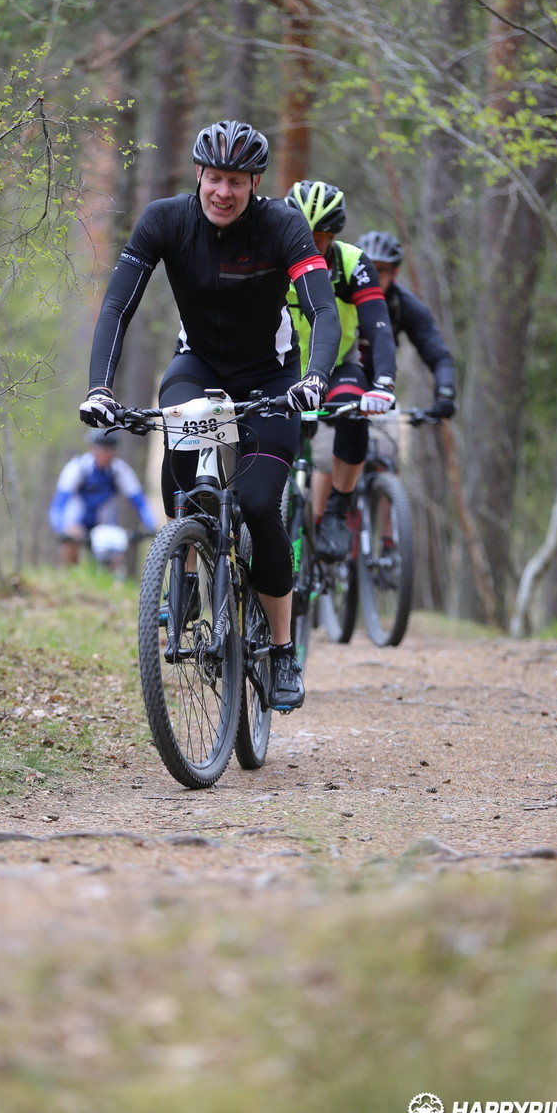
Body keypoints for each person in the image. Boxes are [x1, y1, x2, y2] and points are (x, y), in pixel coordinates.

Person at [79, 119, 342, 710]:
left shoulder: (282, 225)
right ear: (199, 174)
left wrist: (315, 378)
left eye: (237, 182)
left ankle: (281, 650)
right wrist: (100, 388)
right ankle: (188, 562)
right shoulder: (165, 220)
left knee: (258, 504)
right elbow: (117, 307)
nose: (224, 192)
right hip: (198, 367)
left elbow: (323, 311)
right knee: (183, 472)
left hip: (271, 377)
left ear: (255, 184)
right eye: (215, 178)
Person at [284, 181, 397, 562]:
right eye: (302, 235)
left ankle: (338, 507)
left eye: (318, 239)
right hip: (279, 366)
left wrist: (383, 382)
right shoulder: (272, 255)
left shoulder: (352, 263)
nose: (308, 246)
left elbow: (379, 326)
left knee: (354, 409)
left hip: (336, 366)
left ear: (332, 237)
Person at [356, 230, 457, 437]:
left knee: (386, 450)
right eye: (367, 267)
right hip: (336, 386)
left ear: (394, 273)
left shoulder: (405, 305)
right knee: (325, 452)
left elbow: (439, 356)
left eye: (380, 270)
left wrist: (445, 394)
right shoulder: (337, 296)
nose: (372, 275)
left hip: (380, 390)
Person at [48, 429, 156, 569]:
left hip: (104, 523)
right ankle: (68, 577)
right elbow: (58, 505)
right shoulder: (77, 468)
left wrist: (151, 525)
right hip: (76, 521)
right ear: (92, 449)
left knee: (114, 552)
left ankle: (109, 580)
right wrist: (62, 528)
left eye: (109, 450)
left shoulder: (119, 470)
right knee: (71, 543)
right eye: (101, 449)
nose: (105, 454)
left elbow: (140, 501)